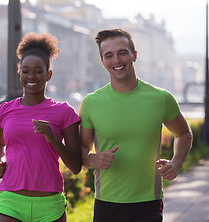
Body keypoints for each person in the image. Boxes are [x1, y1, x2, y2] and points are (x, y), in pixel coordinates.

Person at [79, 29, 193, 222]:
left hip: (148, 203)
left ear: (134, 55)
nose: (117, 60)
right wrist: (93, 160)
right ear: (102, 62)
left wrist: (176, 162)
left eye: (122, 52)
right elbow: (81, 149)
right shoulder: (91, 102)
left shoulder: (160, 98)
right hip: (107, 202)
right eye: (109, 55)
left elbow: (183, 133)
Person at [0, 32, 82, 222]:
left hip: (49, 206)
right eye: (25, 71)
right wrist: (1, 161)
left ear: (48, 74)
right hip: (11, 202)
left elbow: (75, 166)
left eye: (38, 70)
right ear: (20, 73)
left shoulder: (64, 112)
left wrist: (52, 138)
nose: (31, 76)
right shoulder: (4, 111)